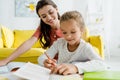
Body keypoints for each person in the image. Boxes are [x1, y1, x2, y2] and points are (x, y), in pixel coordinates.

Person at [38, 11, 108, 75]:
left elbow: (102, 64)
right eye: (64, 32)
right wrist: (45, 61)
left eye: (73, 32)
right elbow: (41, 58)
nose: (68, 36)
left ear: (81, 30)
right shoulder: (59, 43)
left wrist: (75, 67)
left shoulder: (85, 47)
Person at [0, 0, 62, 66]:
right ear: (40, 18)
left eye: (51, 12)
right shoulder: (43, 28)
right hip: (53, 63)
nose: (49, 18)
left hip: (67, 62)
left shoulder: (68, 24)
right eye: (44, 16)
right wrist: (6, 60)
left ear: (56, 9)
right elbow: (29, 43)